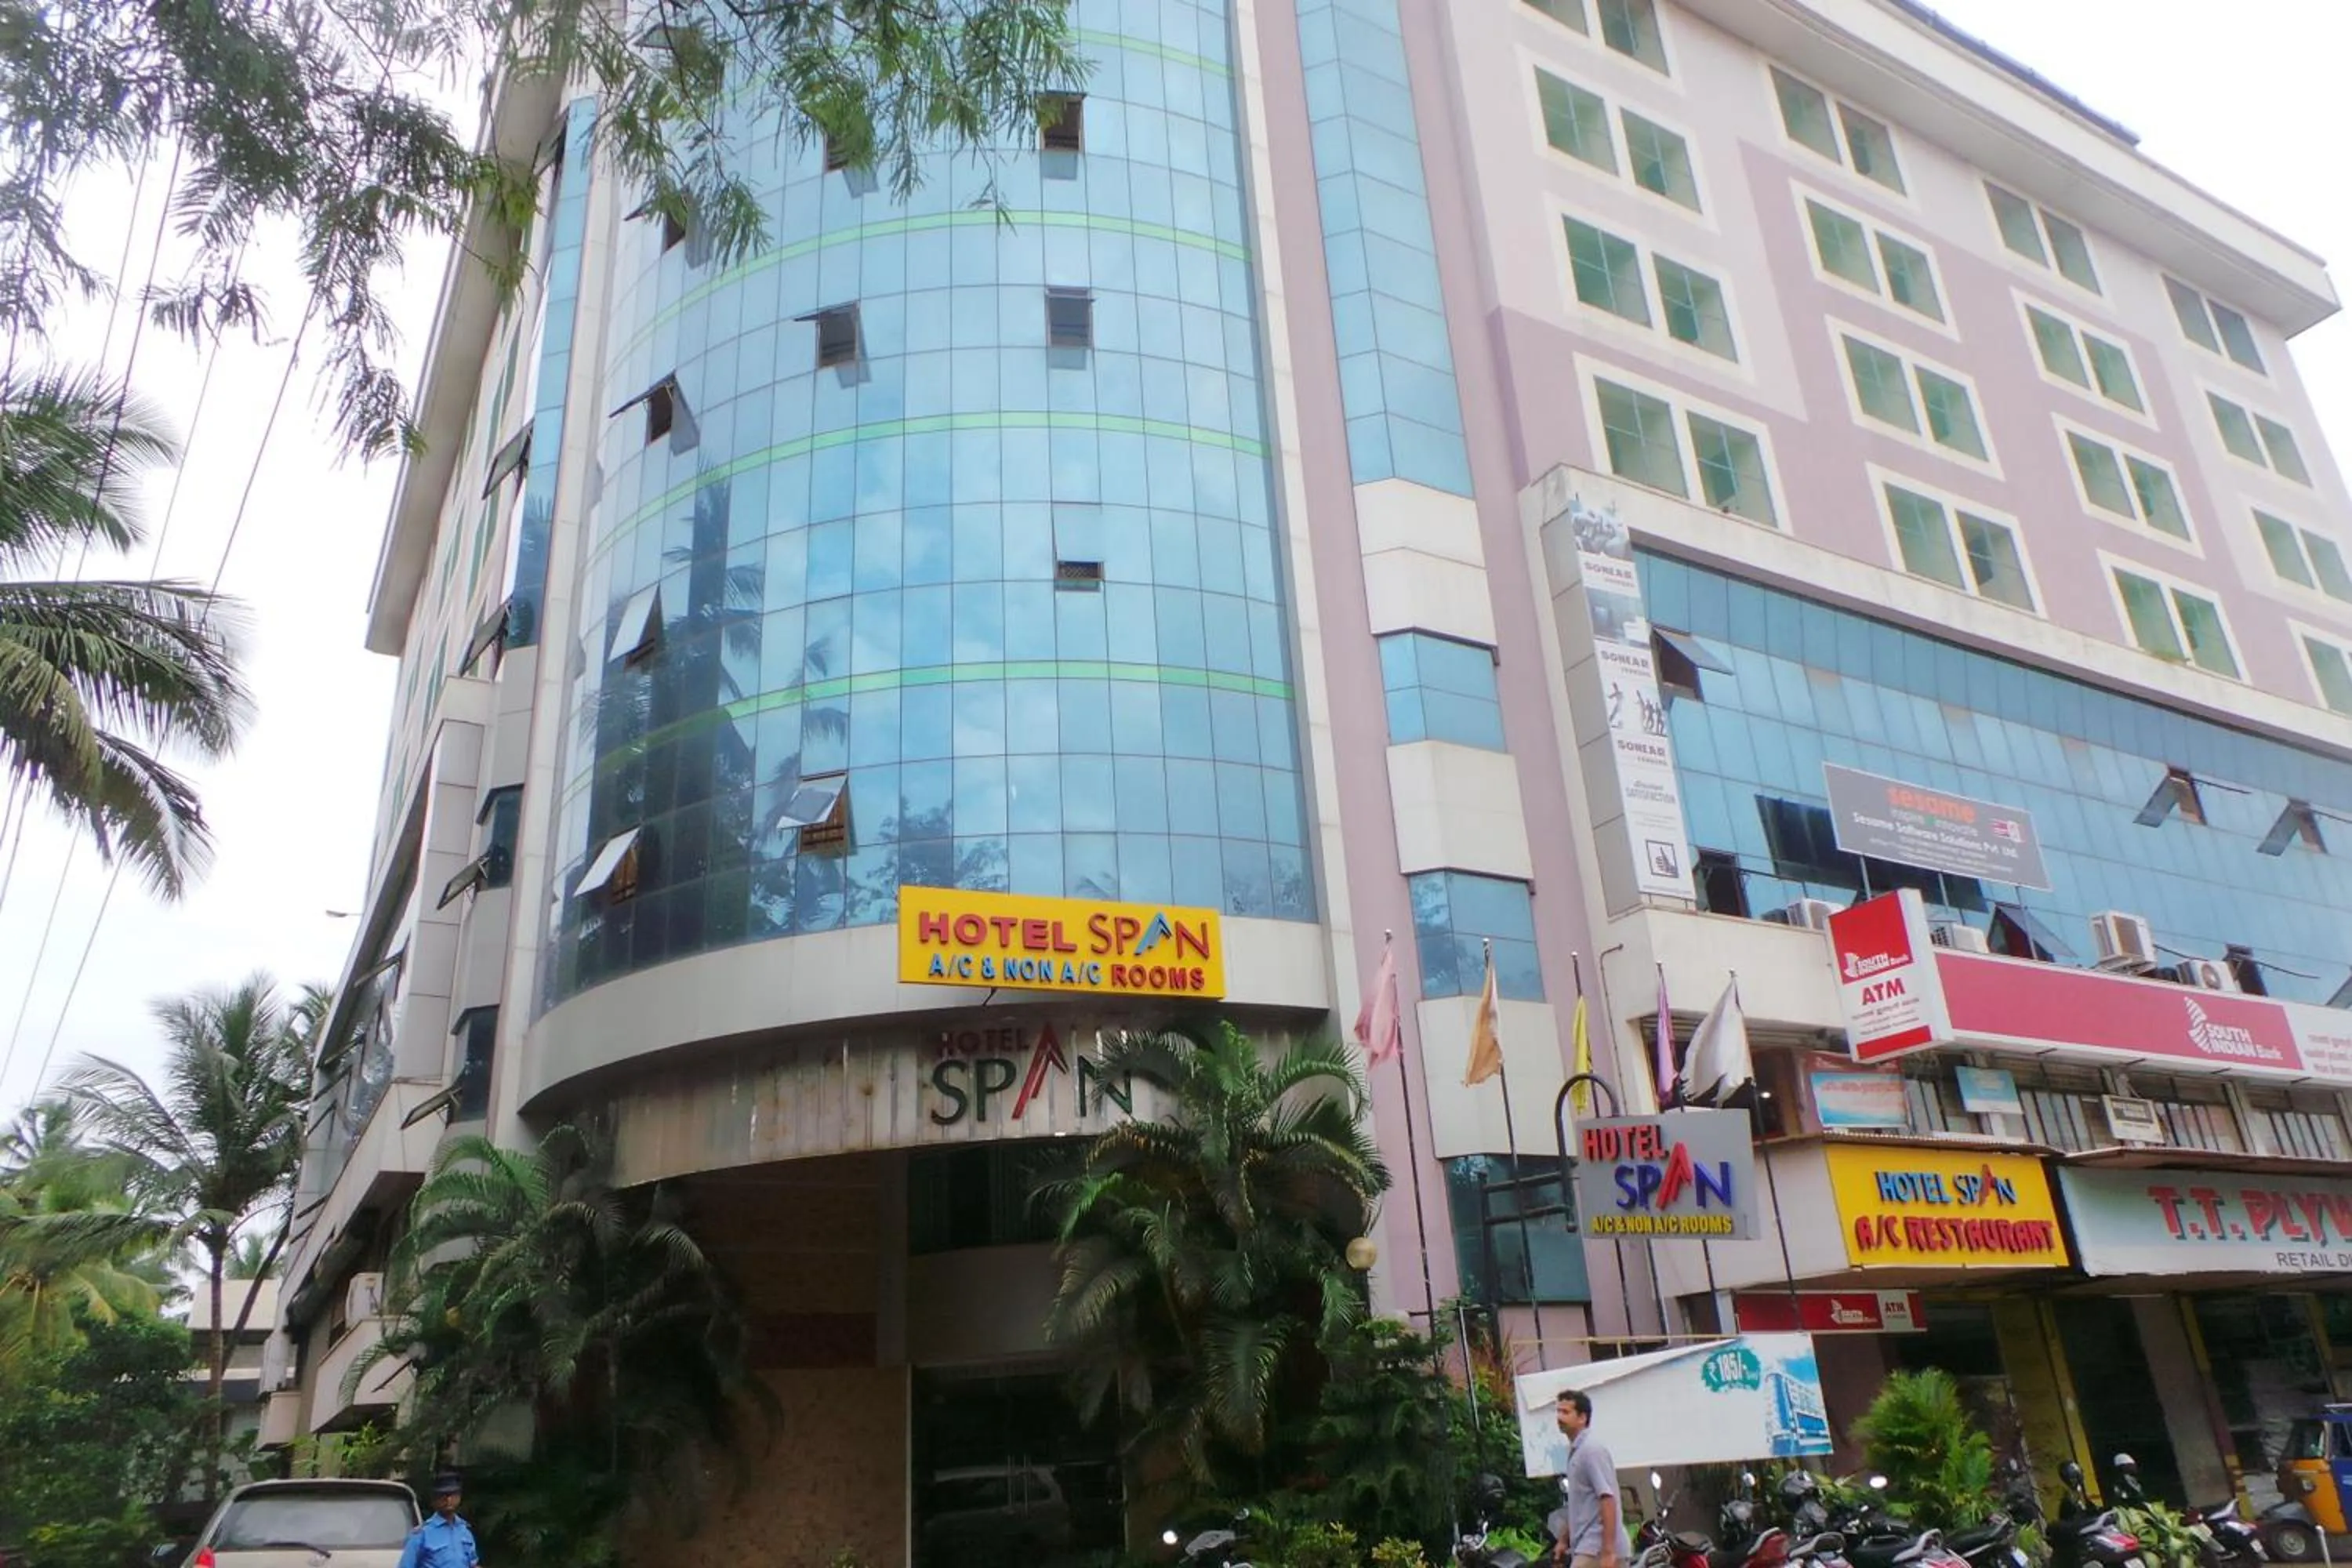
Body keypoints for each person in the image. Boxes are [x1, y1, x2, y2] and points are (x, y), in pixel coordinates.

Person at [1553, 1390, 1628, 1568]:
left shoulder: (1591, 1450)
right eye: (1558, 1411)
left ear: (1582, 1418)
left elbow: (1608, 1499)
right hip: (1587, 1546)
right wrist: (1564, 1540)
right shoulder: (1577, 1451)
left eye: (1566, 1412)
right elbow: (1581, 1507)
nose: (1559, 1417)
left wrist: (1609, 1551)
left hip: (1596, 1547)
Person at [397, 1475, 480, 1568]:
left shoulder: (465, 1531)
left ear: (459, 1497)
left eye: (452, 1495)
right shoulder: (422, 1534)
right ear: (434, 1500)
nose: (448, 1500)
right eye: (443, 1496)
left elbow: (473, 1563)